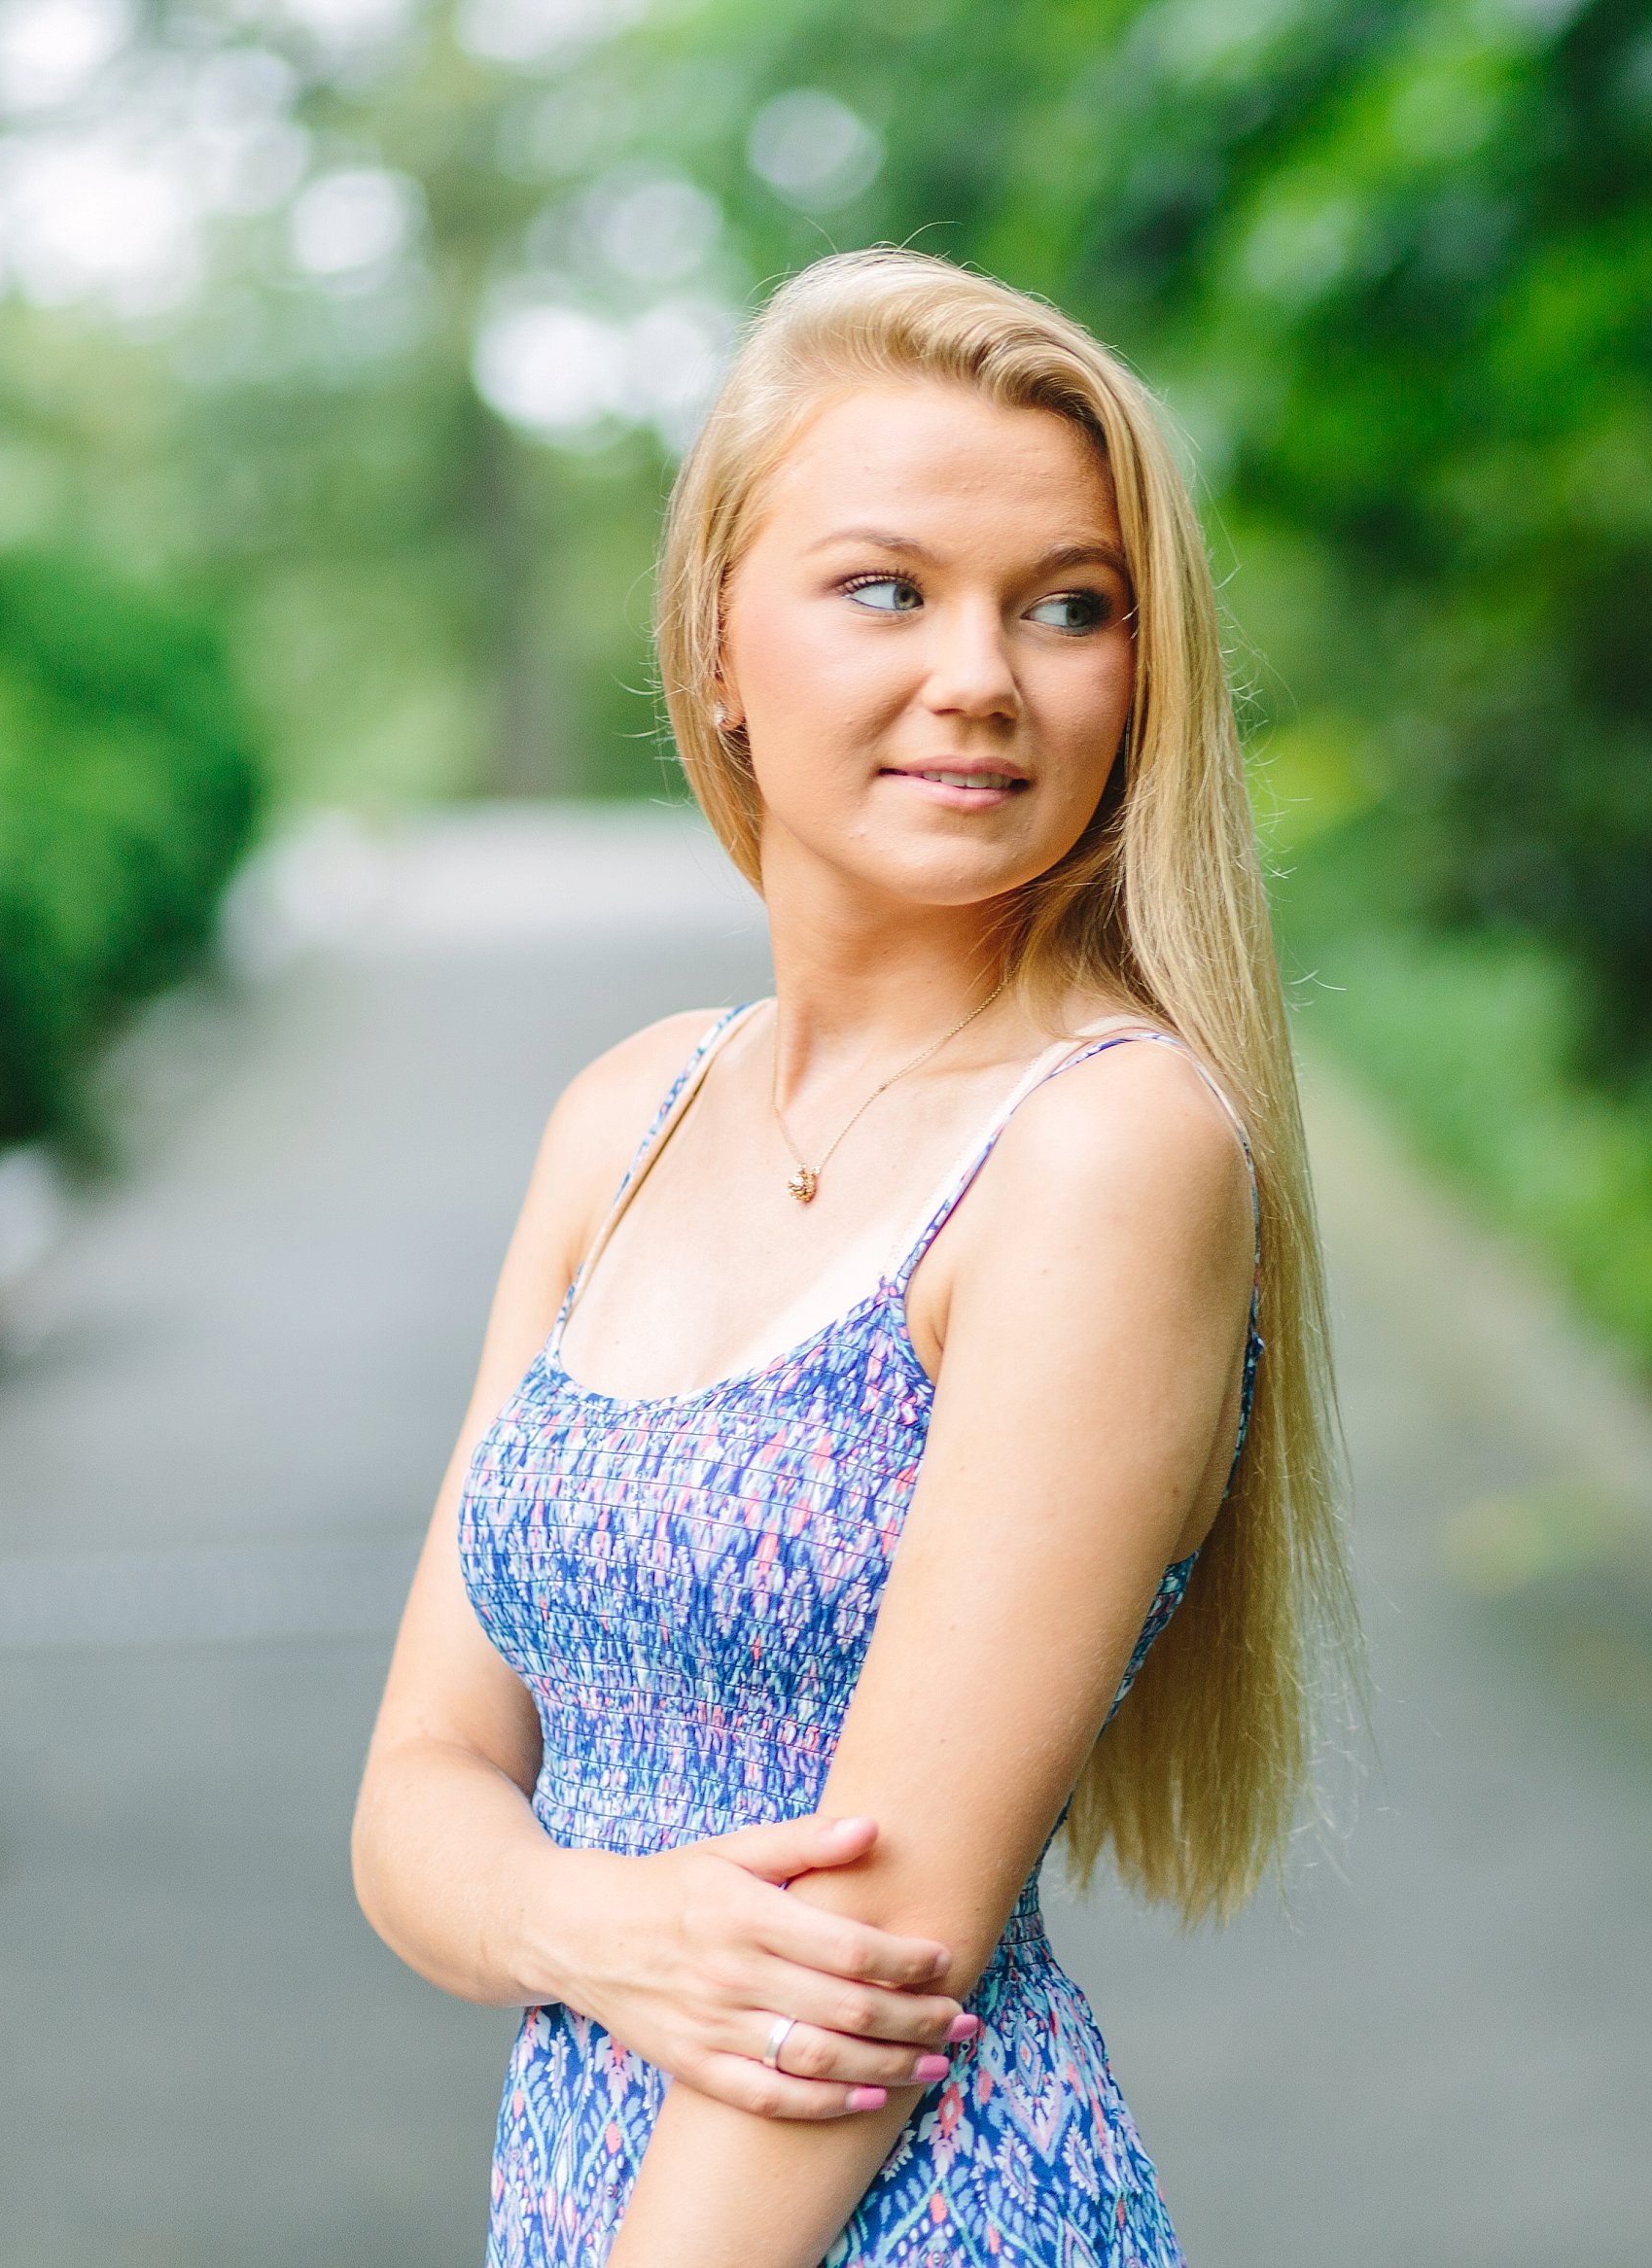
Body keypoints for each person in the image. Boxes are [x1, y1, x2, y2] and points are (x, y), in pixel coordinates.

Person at [351, 247, 1355, 2267]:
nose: (982, 674)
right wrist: (594, 1921)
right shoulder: (624, 1119)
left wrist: (568, 1926)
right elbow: (417, 1794)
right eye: (888, 588)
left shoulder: (1105, 1151)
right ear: (718, 638)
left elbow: (870, 1966)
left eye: (1066, 608)